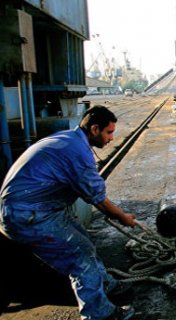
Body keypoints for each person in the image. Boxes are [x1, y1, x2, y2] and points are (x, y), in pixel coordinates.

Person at [0, 105, 136, 320]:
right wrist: (123, 217)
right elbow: (98, 199)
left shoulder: (69, 139)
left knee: (83, 241)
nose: (112, 138)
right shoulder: (78, 153)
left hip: (35, 209)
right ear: (94, 129)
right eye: (109, 132)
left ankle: (106, 285)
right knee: (80, 258)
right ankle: (99, 315)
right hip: (31, 216)